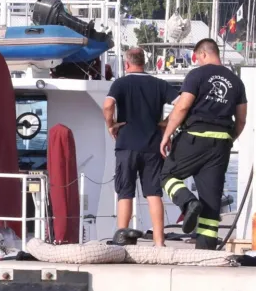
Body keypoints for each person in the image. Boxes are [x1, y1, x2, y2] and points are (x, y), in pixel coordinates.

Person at [160, 38, 248, 249]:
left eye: (197, 58)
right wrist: (229, 140)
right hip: (221, 144)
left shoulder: (197, 75)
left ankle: (188, 202)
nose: (197, 62)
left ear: (203, 54)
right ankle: (205, 252)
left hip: (195, 137)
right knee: (211, 201)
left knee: (167, 175)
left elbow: (182, 107)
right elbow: (241, 120)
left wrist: (167, 135)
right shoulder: (236, 82)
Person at [103, 47, 180, 246]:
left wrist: (111, 124)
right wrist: (166, 123)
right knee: (154, 193)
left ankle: (122, 239)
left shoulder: (120, 84)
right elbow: (181, 104)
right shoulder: (159, 84)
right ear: (144, 62)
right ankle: (159, 241)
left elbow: (108, 106)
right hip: (153, 145)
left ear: (127, 64)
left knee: (125, 192)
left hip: (126, 144)